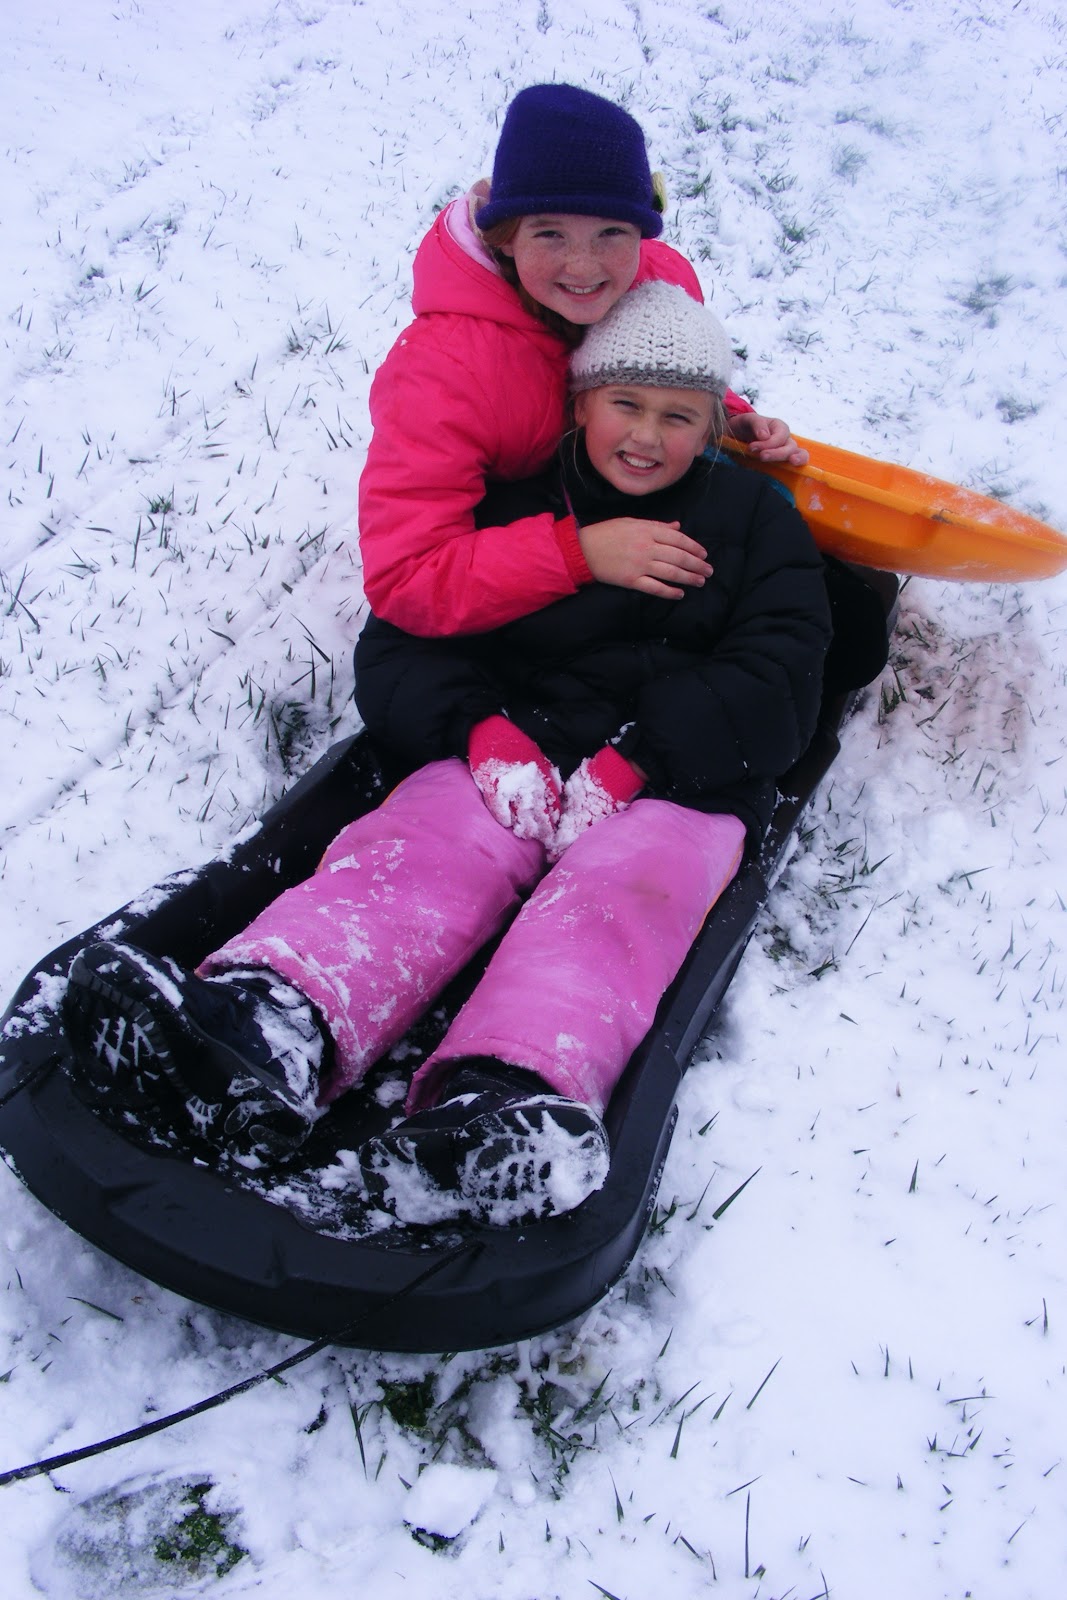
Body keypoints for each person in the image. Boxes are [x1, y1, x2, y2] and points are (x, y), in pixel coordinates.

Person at [63, 282, 831, 1228]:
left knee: (619, 899)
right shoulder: (518, 504)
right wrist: (480, 732)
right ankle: (270, 1024)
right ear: (580, 403)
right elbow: (410, 636)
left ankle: (507, 1096)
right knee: (423, 850)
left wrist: (644, 756)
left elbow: (783, 672)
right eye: (624, 404)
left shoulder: (754, 521)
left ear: (712, 425)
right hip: (518, 742)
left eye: (677, 416)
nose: (645, 435)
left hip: (684, 780)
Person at [356, 81, 807, 640]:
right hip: (525, 537)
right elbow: (407, 576)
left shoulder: (655, 281)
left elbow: (672, 374)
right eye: (550, 233)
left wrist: (726, 416)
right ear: (505, 237)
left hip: (619, 493)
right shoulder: (443, 370)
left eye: (611, 232)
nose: (584, 266)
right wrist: (578, 552)